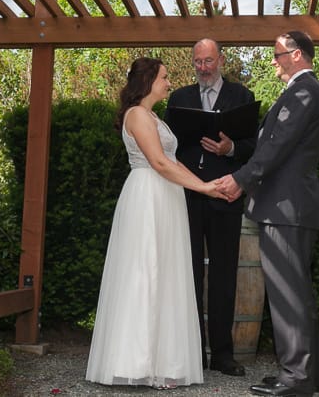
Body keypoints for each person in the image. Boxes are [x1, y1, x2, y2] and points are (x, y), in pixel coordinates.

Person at [86, 57, 228, 390]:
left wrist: (206, 184)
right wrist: (204, 189)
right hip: (147, 196)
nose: (169, 82)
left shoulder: (152, 117)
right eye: (164, 77)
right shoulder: (137, 115)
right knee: (145, 272)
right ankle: (136, 362)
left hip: (166, 197)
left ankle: (164, 362)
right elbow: (159, 163)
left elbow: (173, 162)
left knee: (165, 273)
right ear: (148, 81)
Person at [215, 31, 319, 397]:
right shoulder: (302, 92)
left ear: (296, 55)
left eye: (278, 54)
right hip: (286, 207)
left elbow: (277, 146)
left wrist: (240, 180)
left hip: (286, 208)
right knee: (294, 293)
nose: (274, 60)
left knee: (288, 294)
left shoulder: (304, 92)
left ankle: (296, 378)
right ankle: (302, 374)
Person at [166, 39, 256, 377]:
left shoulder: (242, 96)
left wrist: (230, 148)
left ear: (221, 60)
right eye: (198, 62)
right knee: (187, 273)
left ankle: (222, 354)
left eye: (208, 61)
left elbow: (254, 147)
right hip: (186, 197)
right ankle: (192, 352)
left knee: (224, 276)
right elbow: (167, 148)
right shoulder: (179, 98)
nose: (203, 68)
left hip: (225, 198)